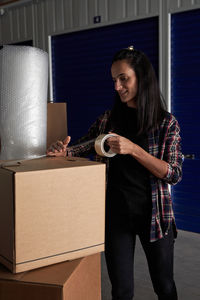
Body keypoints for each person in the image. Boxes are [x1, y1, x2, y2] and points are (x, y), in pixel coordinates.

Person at [47, 46, 182, 300]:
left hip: (154, 214)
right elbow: (83, 145)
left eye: (123, 79)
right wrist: (63, 151)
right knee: (121, 290)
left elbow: (173, 173)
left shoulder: (166, 123)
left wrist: (134, 149)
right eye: (114, 80)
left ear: (142, 77)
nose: (117, 87)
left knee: (164, 286)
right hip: (116, 215)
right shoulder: (108, 120)